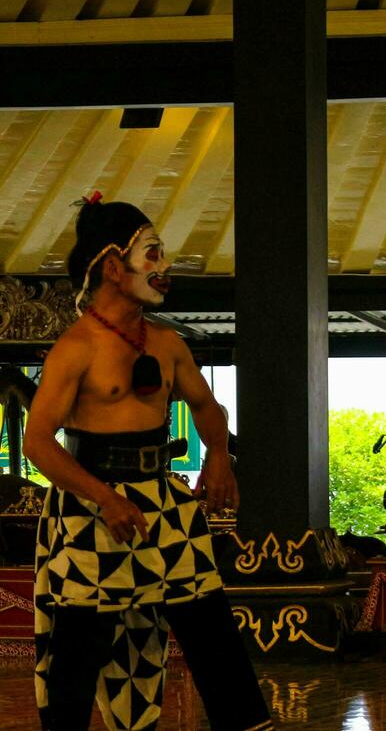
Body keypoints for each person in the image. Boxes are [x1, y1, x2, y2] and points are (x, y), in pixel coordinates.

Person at [24, 197, 271, 731]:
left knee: (210, 627)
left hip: (162, 502)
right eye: (152, 254)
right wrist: (105, 497)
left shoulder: (167, 343)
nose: (165, 268)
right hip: (90, 511)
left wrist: (220, 460)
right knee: (78, 647)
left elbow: (208, 406)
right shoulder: (76, 348)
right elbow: (38, 443)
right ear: (113, 267)